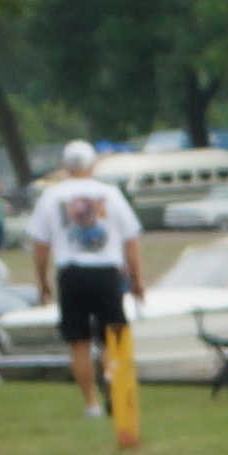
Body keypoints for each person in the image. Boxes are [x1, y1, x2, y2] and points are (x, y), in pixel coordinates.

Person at [34, 145, 141, 417]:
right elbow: (130, 240)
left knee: (79, 343)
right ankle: (113, 382)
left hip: (71, 273)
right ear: (92, 164)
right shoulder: (111, 194)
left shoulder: (51, 196)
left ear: (66, 165)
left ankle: (91, 404)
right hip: (106, 271)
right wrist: (137, 279)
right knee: (112, 338)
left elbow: (40, 244)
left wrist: (42, 281)